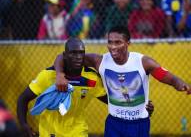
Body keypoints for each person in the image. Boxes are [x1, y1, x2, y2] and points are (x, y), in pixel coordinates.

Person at [54, 26, 191, 137]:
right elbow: (63, 57)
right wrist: (60, 75)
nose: (113, 47)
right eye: (110, 42)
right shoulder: (100, 61)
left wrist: (180, 84)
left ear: (128, 43)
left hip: (139, 124)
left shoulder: (143, 62)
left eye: (118, 42)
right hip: (114, 122)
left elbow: (168, 77)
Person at [17, 38, 106, 137]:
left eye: (81, 53)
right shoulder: (48, 76)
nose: (78, 57)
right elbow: (23, 99)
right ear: (65, 55)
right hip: (50, 132)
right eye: (73, 53)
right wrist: (23, 124)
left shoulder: (92, 79)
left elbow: (110, 100)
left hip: (78, 132)